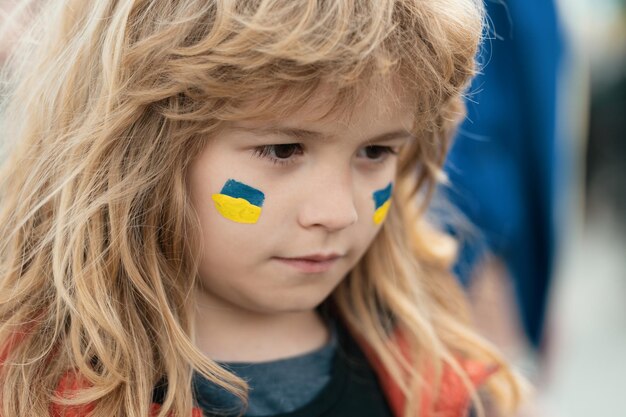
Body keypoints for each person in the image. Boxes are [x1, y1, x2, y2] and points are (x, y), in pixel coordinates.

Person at [0, 1, 524, 416]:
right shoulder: (29, 384)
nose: (337, 212)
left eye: (375, 152)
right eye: (281, 150)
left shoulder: (439, 386)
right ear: (142, 153)